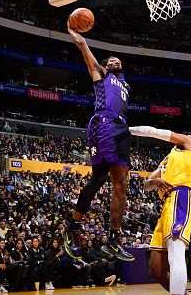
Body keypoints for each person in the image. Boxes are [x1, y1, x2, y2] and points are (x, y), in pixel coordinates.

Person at [64, 21, 133, 262]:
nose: (115, 62)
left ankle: (114, 239)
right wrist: (75, 34)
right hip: (103, 124)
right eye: (110, 60)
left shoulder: (125, 85)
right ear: (104, 66)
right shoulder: (100, 74)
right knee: (100, 178)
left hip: (121, 128)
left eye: (118, 60)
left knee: (121, 184)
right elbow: (85, 50)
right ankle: (73, 227)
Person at [130, 125, 191, 295]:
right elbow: (146, 185)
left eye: (190, 137)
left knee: (175, 253)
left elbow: (155, 132)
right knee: (156, 269)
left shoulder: (188, 146)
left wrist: (126, 129)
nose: (185, 137)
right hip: (167, 204)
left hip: (181, 196)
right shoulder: (167, 160)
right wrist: (154, 183)